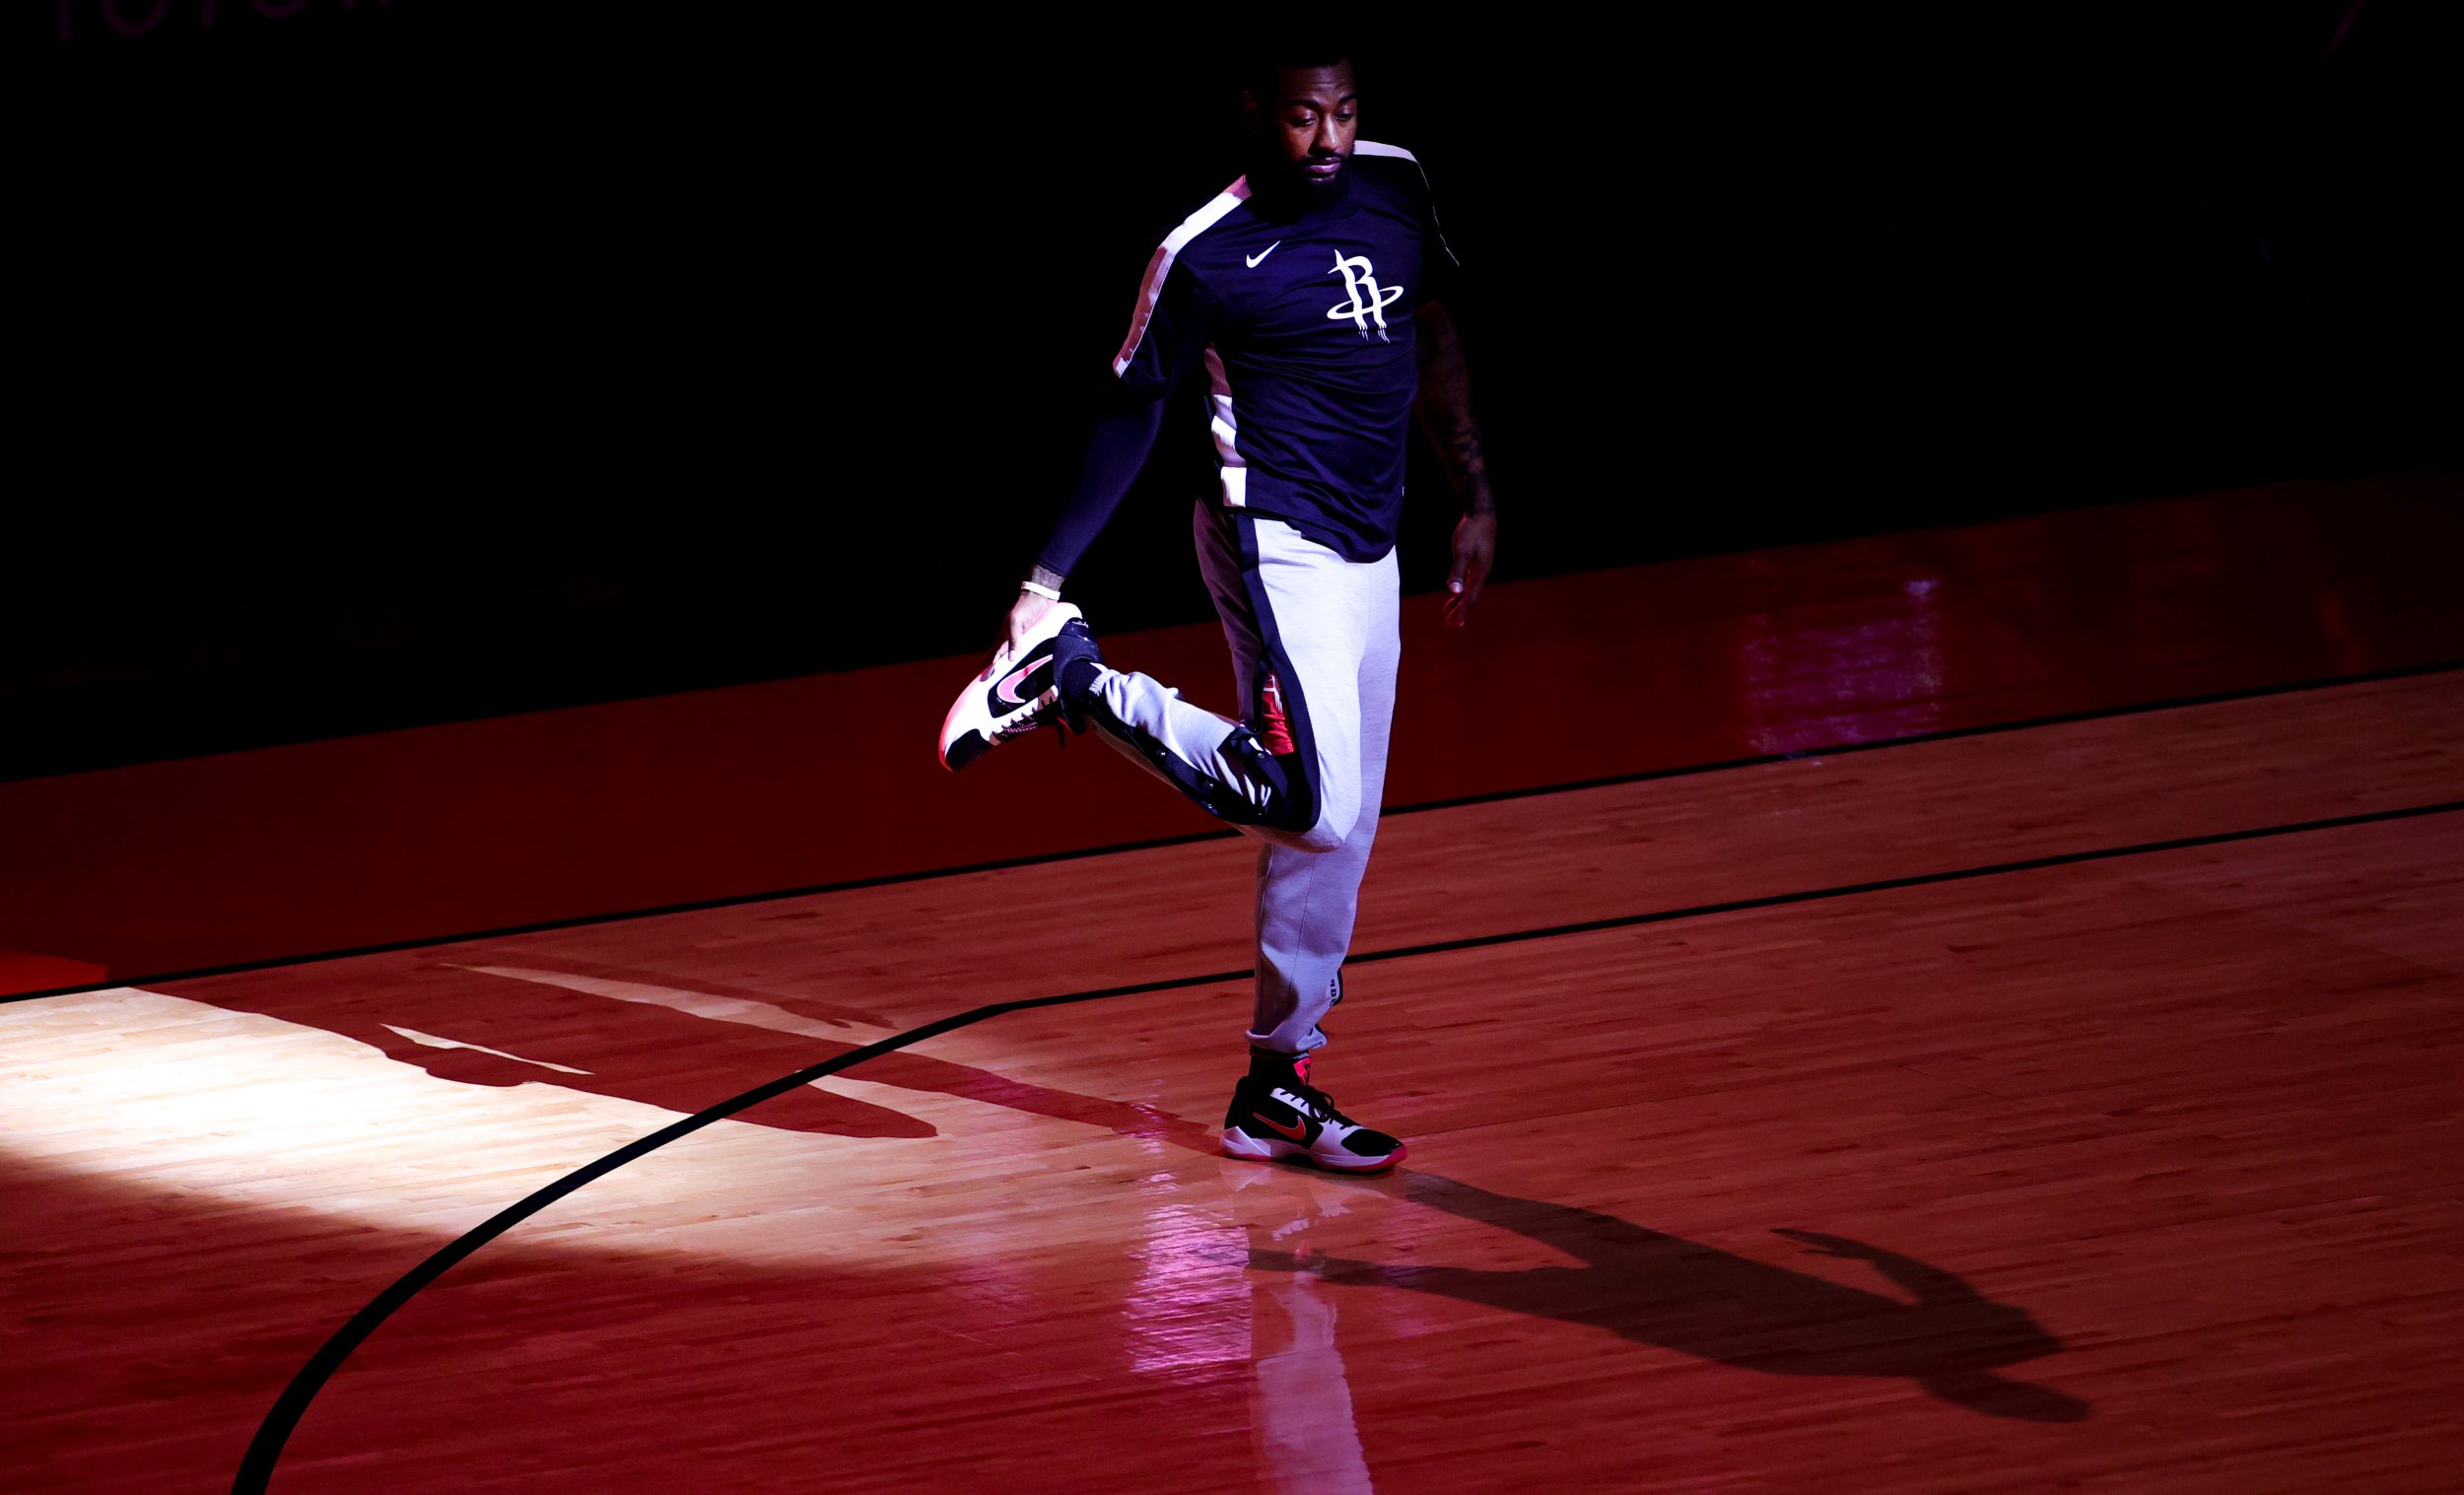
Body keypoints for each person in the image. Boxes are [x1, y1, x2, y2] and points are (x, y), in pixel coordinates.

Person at [939, 48, 1494, 1173]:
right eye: (1302, 118)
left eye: (1343, 112)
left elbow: (1431, 330)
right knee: (1307, 799)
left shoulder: (1396, 183)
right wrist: (1041, 583)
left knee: (1335, 839)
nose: (1327, 139)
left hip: (1370, 542)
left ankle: (1273, 1088)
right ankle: (1070, 675)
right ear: (1254, 115)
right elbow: (1131, 412)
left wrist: (1473, 489)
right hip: (1269, 538)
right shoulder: (1204, 253)